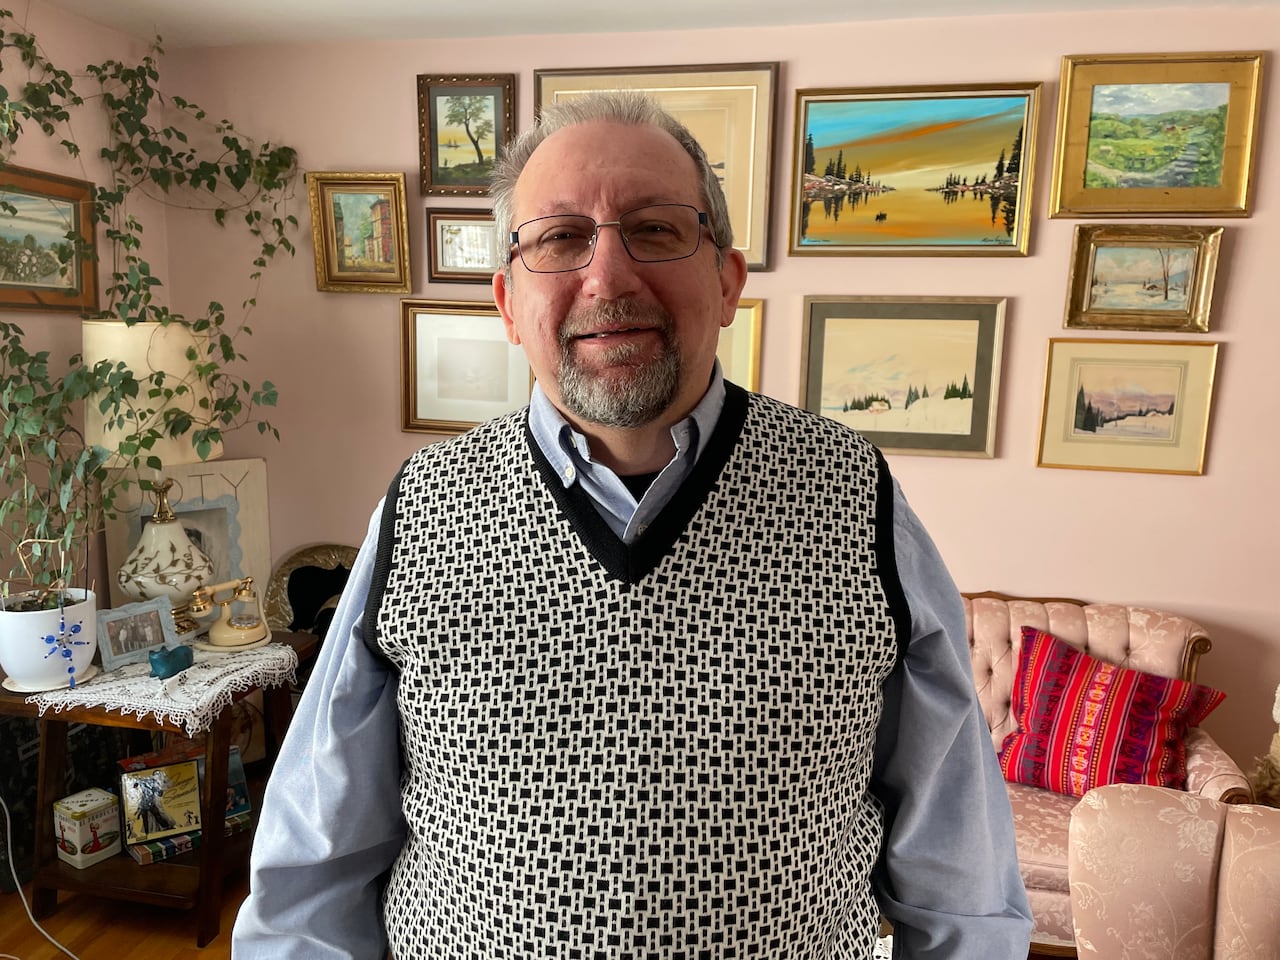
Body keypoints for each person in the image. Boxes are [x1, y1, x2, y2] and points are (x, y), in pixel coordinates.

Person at [232, 92, 1031, 959]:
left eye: (653, 230)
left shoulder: (854, 493)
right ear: (507, 302)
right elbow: (315, 865)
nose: (608, 279)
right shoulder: (424, 505)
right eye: (560, 238)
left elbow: (961, 866)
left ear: (727, 281)